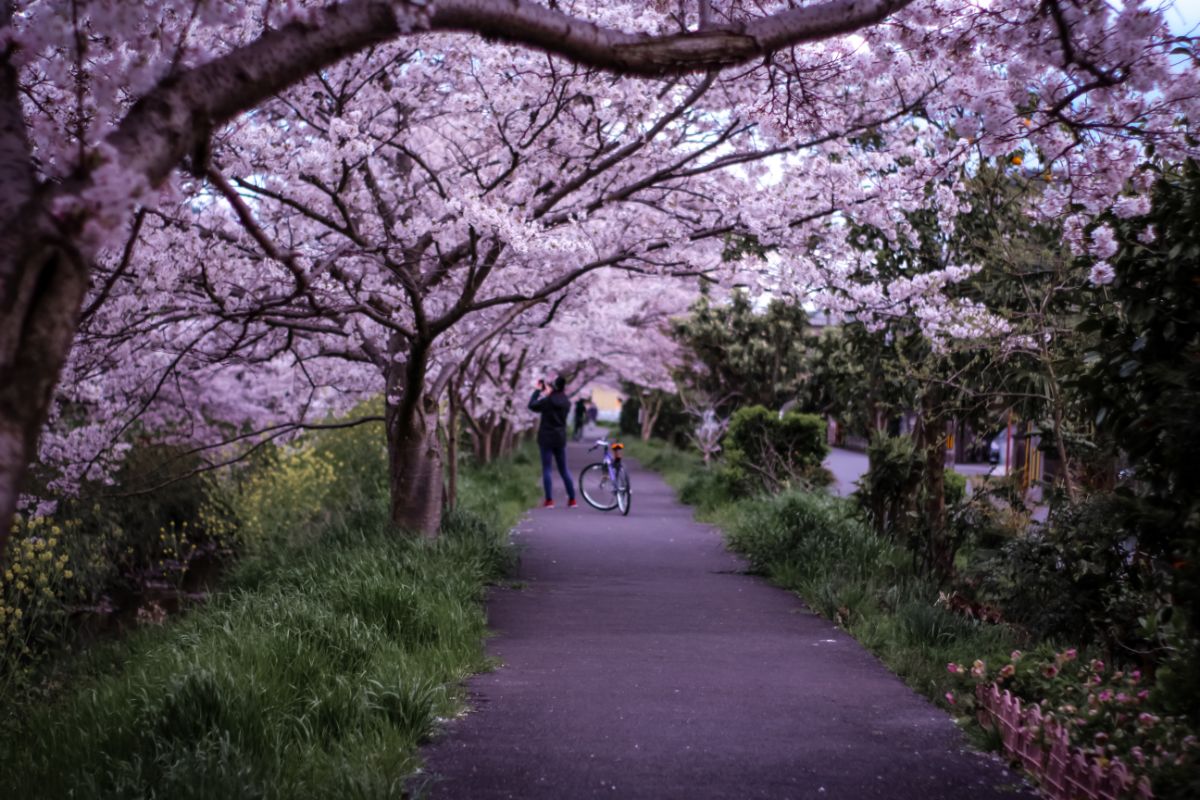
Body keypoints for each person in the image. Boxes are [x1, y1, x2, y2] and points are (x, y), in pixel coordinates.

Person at [529, 376, 577, 508]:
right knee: (564, 469)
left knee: (547, 469)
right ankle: (572, 499)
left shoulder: (547, 401)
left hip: (546, 437)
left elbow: (531, 405)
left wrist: (538, 391)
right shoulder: (566, 402)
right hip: (560, 438)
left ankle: (549, 500)